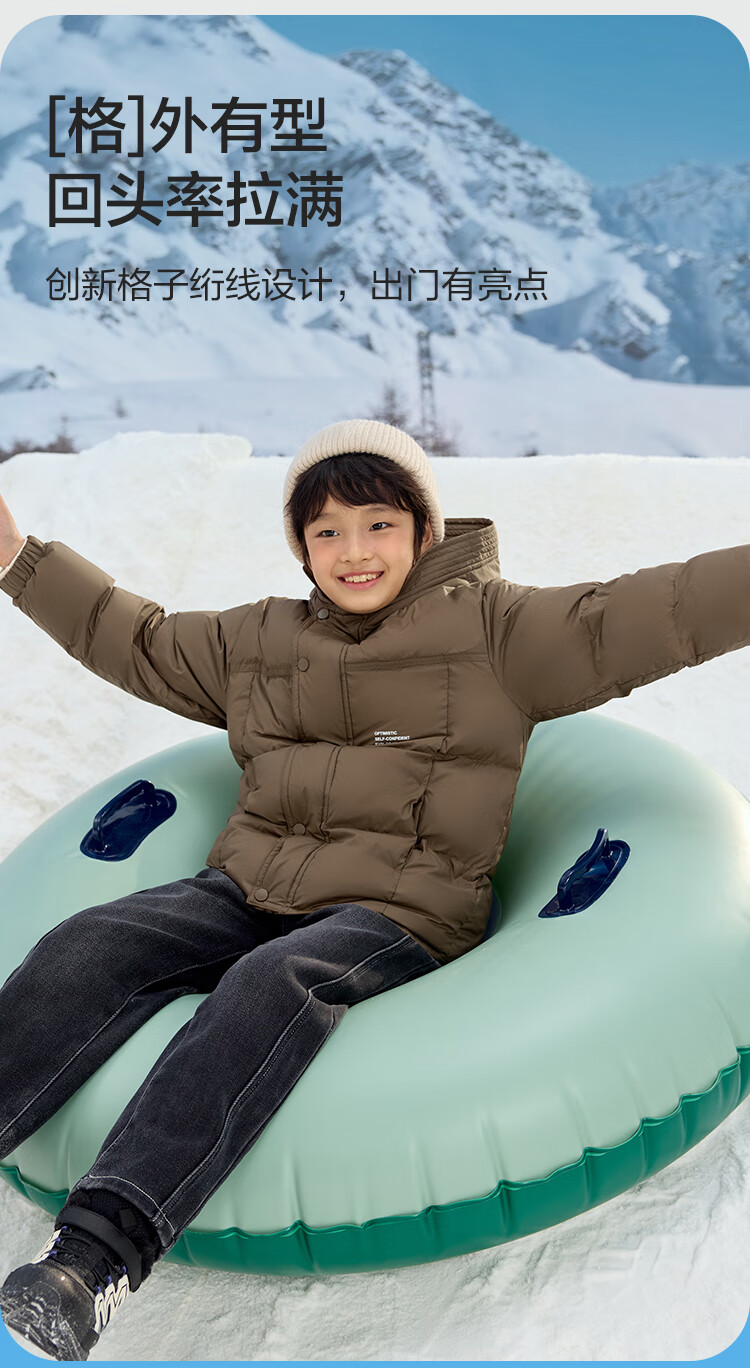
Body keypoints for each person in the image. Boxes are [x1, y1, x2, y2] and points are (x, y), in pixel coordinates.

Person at [0, 417, 748, 1360]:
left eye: (378, 524)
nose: (354, 551)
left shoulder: (500, 633)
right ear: (302, 547)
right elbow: (138, 638)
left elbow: (657, 611)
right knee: (92, 942)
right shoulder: (260, 640)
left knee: (272, 984)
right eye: (327, 531)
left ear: (423, 531)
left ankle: (94, 1261)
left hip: (399, 911)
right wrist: (18, 561)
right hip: (247, 884)